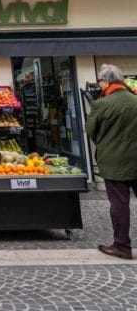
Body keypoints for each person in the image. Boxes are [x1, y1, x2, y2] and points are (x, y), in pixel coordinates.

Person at [86, 64, 137, 260]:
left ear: (106, 82)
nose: (99, 85)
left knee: (119, 205)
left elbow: (91, 130)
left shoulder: (103, 104)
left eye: (100, 82)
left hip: (114, 162)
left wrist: (106, 142)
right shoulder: (135, 100)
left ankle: (122, 246)